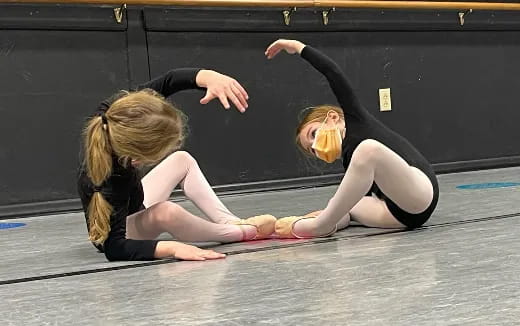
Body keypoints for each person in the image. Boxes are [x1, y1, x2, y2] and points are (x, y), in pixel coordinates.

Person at [78, 67, 275, 261]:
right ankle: (235, 233)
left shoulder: (114, 116)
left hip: (135, 206)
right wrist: (170, 248)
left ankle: (230, 220)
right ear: (136, 156)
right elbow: (115, 247)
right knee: (166, 212)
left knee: (182, 160)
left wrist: (209, 78)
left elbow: (168, 81)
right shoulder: (110, 181)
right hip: (113, 232)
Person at [265, 39, 439, 238]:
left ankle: (319, 225)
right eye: (312, 149)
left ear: (332, 118)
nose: (316, 145)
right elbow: (355, 198)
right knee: (344, 204)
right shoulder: (352, 163)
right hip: (396, 214)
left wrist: (298, 47)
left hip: (420, 195)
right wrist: (328, 213)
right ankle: (312, 225)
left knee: (368, 150)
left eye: (313, 134)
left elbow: (333, 73)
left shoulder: (357, 120)